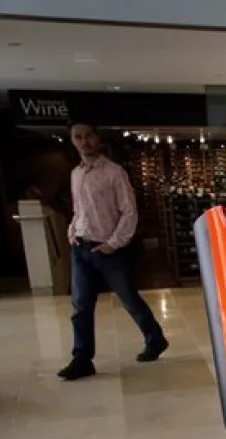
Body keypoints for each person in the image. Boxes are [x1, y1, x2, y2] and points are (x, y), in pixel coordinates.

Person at [57, 119, 167, 380]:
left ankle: (155, 339)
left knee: (129, 299)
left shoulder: (114, 172)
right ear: (73, 141)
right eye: (78, 137)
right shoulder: (75, 174)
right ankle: (82, 359)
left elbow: (129, 212)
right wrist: (72, 230)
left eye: (88, 136)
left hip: (108, 250)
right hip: (81, 248)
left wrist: (113, 243)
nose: (84, 141)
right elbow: (79, 209)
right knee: (81, 306)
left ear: (97, 138)